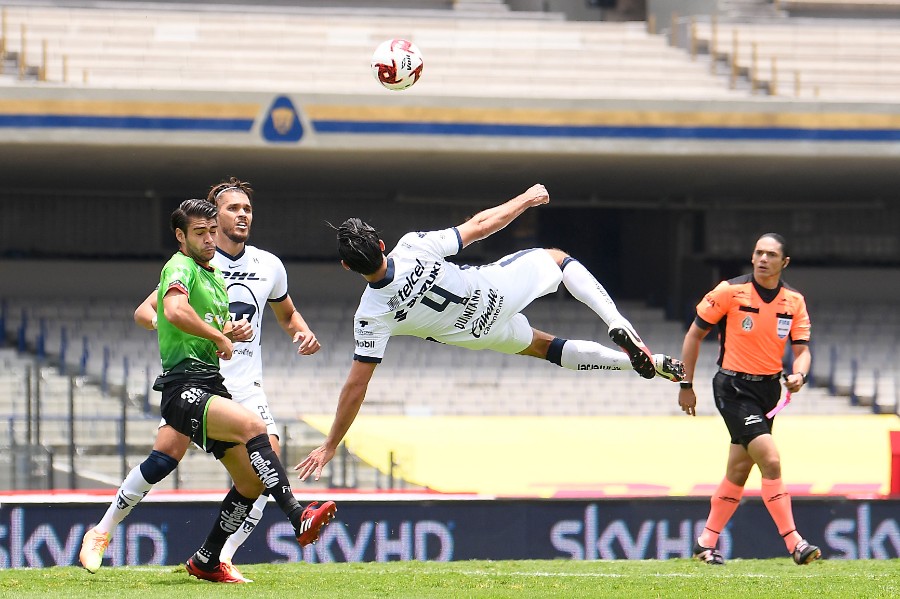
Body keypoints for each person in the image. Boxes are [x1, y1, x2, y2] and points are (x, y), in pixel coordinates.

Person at [295, 183, 685, 482]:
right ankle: (617, 322)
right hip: (492, 292)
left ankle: (637, 366)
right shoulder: (412, 245)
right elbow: (480, 227)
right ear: (381, 244)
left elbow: (355, 387)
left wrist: (331, 443)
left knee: (544, 347)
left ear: (348, 268)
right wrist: (527, 198)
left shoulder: (370, 315)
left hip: (478, 332)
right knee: (558, 260)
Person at [79, 198, 336, 581]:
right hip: (185, 384)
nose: (239, 216)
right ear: (185, 235)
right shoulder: (181, 265)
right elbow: (167, 311)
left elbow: (270, 315)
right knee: (177, 454)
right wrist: (209, 332)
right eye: (229, 210)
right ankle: (298, 515)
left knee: (252, 480)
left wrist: (231, 329)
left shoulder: (224, 273)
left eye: (246, 208)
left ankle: (210, 558)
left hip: (223, 384)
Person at [676, 233, 821, 566]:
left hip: (768, 391)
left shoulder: (793, 301)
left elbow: (802, 351)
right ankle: (795, 543)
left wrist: (799, 375)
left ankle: (704, 543)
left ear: (784, 263)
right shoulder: (729, 291)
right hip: (733, 387)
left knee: (739, 470)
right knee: (769, 460)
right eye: (758, 252)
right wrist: (686, 383)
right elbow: (694, 334)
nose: (762, 259)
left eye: (770, 254)